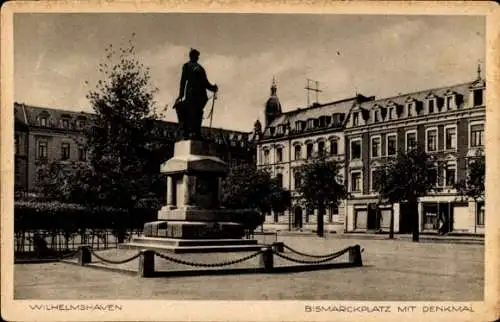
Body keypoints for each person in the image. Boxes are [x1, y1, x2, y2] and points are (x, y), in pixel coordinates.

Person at [175, 48, 218, 140]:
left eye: (197, 56)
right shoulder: (186, 66)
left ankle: (196, 133)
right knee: (191, 113)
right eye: (195, 55)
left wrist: (212, 88)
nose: (196, 57)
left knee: (198, 113)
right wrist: (181, 94)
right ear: (191, 56)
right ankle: (188, 133)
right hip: (191, 93)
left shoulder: (201, 68)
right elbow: (183, 81)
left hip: (201, 95)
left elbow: (205, 82)